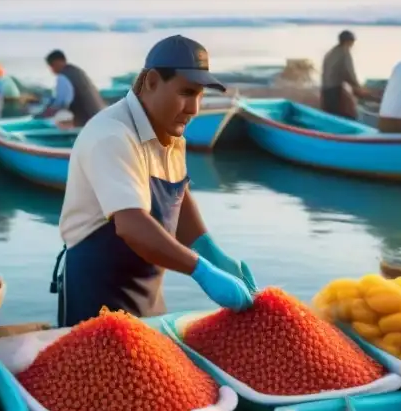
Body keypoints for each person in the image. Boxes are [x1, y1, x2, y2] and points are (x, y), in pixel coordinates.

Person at [53, 34, 255, 327]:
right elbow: (132, 226)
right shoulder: (112, 135)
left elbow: (177, 196)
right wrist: (201, 270)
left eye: (200, 95)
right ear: (151, 82)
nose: (194, 108)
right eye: (186, 92)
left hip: (147, 293)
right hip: (97, 294)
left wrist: (209, 249)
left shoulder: (170, 134)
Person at [38, 50, 106, 127]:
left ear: (58, 62)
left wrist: (41, 114)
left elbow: (60, 104)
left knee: (56, 119)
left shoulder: (63, 77)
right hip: (99, 117)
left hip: (86, 124)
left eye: (51, 65)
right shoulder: (78, 71)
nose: (51, 69)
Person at [320, 30, 368, 119]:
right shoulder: (344, 52)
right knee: (336, 115)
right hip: (334, 88)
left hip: (325, 87)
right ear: (348, 41)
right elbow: (349, 73)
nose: (353, 45)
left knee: (328, 114)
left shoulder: (331, 51)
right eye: (352, 42)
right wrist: (359, 87)